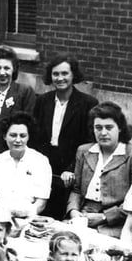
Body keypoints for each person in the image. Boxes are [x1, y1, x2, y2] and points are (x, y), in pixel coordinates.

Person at [66, 102, 132, 237]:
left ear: (120, 128)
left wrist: (104, 217)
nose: (103, 133)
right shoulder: (84, 151)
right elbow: (76, 189)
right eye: (98, 127)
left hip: (117, 223)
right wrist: (73, 211)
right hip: (83, 216)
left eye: (109, 127)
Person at [33, 54, 98, 219]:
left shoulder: (88, 103)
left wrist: (71, 170)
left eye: (64, 73)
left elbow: (88, 142)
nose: (60, 78)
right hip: (45, 162)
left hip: (70, 166)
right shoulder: (42, 101)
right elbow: (36, 136)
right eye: (55, 74)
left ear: (73, 75)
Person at [0, 112, 52, 218]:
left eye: (23, 136)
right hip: (0, 216)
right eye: (13, 135)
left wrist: (26, 214)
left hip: (28, 218)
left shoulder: (40, 161)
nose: (18, 140)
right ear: (5, 136)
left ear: (28, 137)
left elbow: (41, 203)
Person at [0, 45, 35, 142]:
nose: (2, 73)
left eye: (6, 68)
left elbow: (29, 124)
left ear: (14, 69)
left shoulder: (24, 91)